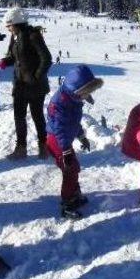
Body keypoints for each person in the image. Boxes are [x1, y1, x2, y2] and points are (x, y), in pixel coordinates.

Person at [45, 65, 103, 219]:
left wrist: (81, 136)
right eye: (86, 92)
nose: (88, 95)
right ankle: (67, 203)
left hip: (63, 140)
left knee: (73, 168)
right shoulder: (60, 103)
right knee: (70, 169)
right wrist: (66, 151)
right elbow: (60, 129)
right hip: (56, 140)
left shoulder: (73, 100)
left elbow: (73, 122)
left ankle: (74, 193)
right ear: (77, 90)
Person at [0, 8, 52, 160]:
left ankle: (43, 147)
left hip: (35, 86)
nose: (7, 29)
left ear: (16, 23)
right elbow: (15, 57)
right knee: (19, 117)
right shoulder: (14, 38)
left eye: (9, 25)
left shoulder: (33, 35)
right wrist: (4, 61)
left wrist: (36, 77)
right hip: (20, 85)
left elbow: (46, 59)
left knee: (37, 116)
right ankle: (21, 148)